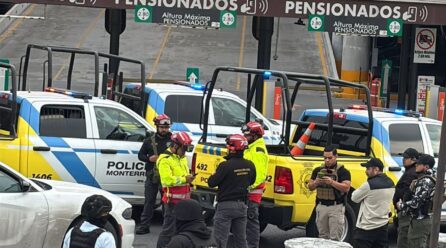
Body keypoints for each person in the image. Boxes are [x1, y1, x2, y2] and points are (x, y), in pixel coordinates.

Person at [208, 134, 256, 248]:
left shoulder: (225, 165)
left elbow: (211, 183)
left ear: (231, 149)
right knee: (241, 240)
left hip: (225, 207)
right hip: (242, 206)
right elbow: (252, 181)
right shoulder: (250, 165)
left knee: (220, 241)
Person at [156, 131, 196, 248]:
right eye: (184, 149)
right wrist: (185, 179)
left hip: (183, 202)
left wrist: (190, 181)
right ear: (174, 146)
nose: (185, 152)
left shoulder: (181, 158)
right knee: (168, 231)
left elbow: (184, 175)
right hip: (172, 203)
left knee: (180, 232)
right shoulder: (165, 159)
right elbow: (167, 180)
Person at [136, 114, 172, 235]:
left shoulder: (173, 141)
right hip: (152, 176)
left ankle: (167, 227)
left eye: (166, 127)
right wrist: (149, 159)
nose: (164, 130)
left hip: (167, 177)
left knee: (167, 203)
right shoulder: (149, 141)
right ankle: (144, 226)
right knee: (149, 201)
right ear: (156, 126)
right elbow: (140, 155)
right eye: (162, 127)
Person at [307, 145, 351, 241]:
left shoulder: (343, 171)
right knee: (322, 238)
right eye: (325, 158)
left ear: (336, 156)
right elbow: (310, 187)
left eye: (329, 158)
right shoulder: (318, 170)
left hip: (336, 207)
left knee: (335, 239)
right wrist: (316, 182)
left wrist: (332, 182)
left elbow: (346, 188)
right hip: (321, 206)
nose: (327, 160)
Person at [351, 158, 395, 248]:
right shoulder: (391, 183)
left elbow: (354, 198)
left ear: (376, 169)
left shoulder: (369, 185)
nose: (366, 171)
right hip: (383, 226)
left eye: (368, 169)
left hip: (366, 228)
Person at [396, 154, 436, 248]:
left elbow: (416, 203)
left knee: (415, 244)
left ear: (426, 166)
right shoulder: (432, 178)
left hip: (420, 221)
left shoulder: (425, 181)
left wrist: (401, 205)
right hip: (427, 219)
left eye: (419, 164)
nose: (416, 165)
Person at [241, 121, 269, 248]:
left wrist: (247, 187)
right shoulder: (251, 147)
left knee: (251, 223)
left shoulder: (258, 150)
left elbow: (259, 176)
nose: (245, 137)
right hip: (246, 192)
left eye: (247, 135)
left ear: (256, 136)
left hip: (251, 194)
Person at [393, 148, 419, 248]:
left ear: (414, 159)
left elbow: (408, 192)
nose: (403, 159)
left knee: (403, 241)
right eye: (403, 157)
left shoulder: (411, 173)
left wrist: (402, 205)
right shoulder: (410, 171)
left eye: (406, 157)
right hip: (405, 211)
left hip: (406, 212)